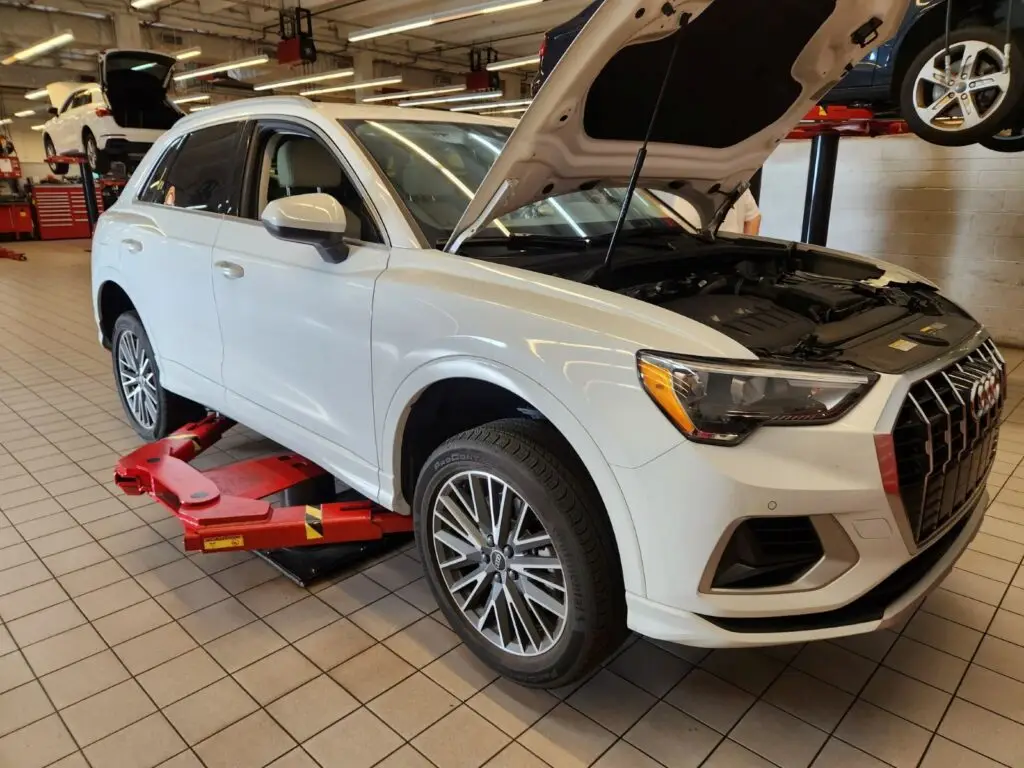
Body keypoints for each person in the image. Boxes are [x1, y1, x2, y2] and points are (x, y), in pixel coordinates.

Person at [653, 188, 762, 235]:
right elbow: (753, 217)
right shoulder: (736, 180)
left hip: (728, 258)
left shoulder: (737, 182)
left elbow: (753, 217)